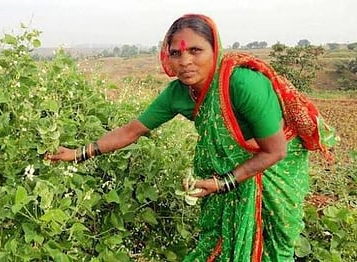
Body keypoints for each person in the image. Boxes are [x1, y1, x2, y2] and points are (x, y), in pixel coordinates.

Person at [46, 14, 334, 262]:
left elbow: (275, 152)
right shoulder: (178, 93)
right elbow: (132, 131)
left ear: (215, 49)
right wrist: (78, 153)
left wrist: (224, 183)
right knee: (221, 235)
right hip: (233, 169)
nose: (185, 61)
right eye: (176, 53)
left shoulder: (242, 83)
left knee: (273, 239)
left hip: (275, 166)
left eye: (195, 50)